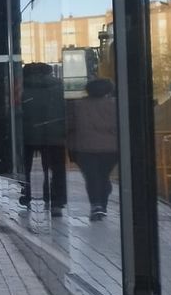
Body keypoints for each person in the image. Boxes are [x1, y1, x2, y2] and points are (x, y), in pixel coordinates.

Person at [18, 62, 68, 215]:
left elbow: (15, 111)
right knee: (56, 168)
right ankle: (55, 200)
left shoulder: (21, 88)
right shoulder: (59, 87)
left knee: (24, 168)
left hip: (27, 134)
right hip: (54, 134)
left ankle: (26, 195)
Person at [67, 78, 119, 220]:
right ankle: (102, 204)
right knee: (103, 176)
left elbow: (70, 126)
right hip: (111, 149)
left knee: (92, 177)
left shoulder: (76, 105)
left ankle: (96, 205)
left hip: (84, 148)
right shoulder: (116, 105)